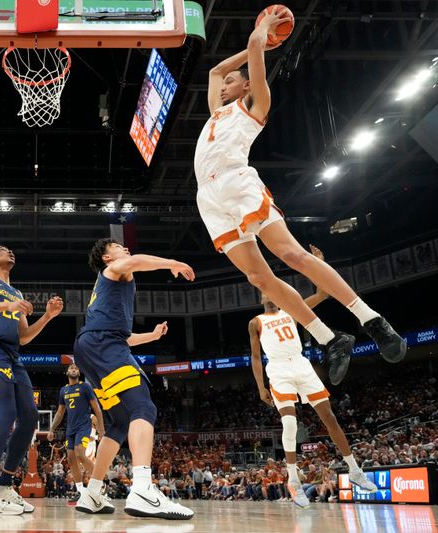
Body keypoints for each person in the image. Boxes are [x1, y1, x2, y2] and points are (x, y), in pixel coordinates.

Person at [196, 7, 405, 386]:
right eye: (224, 83)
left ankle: (372, 319)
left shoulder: (255, 106)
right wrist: (248, 51)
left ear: (246, 87)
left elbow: (254, 53)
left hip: (236, 183)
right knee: (260, 278)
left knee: (292, 255)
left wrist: (262, 36)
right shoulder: (216, 113)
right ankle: (331, 338)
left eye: (231, 82)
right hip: (209, 200)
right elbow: (212, 72)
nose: (223, 85)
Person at [74, 238, 195, 520]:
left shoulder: (109, 290)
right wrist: (171, 263)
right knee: (143, 407)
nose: (124, 249)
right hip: (104, 345)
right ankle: (142, 488)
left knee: (118, 423)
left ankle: (92, 492)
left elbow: (122, 337)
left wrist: (152, 336)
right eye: (116, 247)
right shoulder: (116, 269)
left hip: (93, 346)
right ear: (106, 258)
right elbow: (136, 261)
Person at [249, 245, 378, 509]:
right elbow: (253, 357)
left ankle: (354, 469)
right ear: (262, 296)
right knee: (290, 425)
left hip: (301, 364)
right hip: (278, 369)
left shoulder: (293, 309)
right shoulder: (256, 322)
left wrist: (319, 265)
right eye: (265, 290)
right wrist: (261, 387)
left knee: (329, 417)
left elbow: (322, 293)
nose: (269, 292)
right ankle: (294, 481)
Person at [0, 244, 64, 515]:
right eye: (3, 250)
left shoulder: (16, 293)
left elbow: (24, 337)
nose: (11, 252)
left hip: (12, 356)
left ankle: (4, 486)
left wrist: (48, 317)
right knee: (6, 412)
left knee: (29, 418)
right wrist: (9, 304)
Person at [46, 363, 105, 502]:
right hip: (70, 428)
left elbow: (97, 408)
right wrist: (51, 429)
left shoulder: (85, 387)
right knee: (71, 458)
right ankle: (80, 491)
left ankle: (100, 483)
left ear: (79, 373)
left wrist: (101, 429)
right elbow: (60, 412)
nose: (73, 369)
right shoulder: (63, 390)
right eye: (71, 368)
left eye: (76, 368)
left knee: (80, 453)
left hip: (83, 426)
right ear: (67, 372)